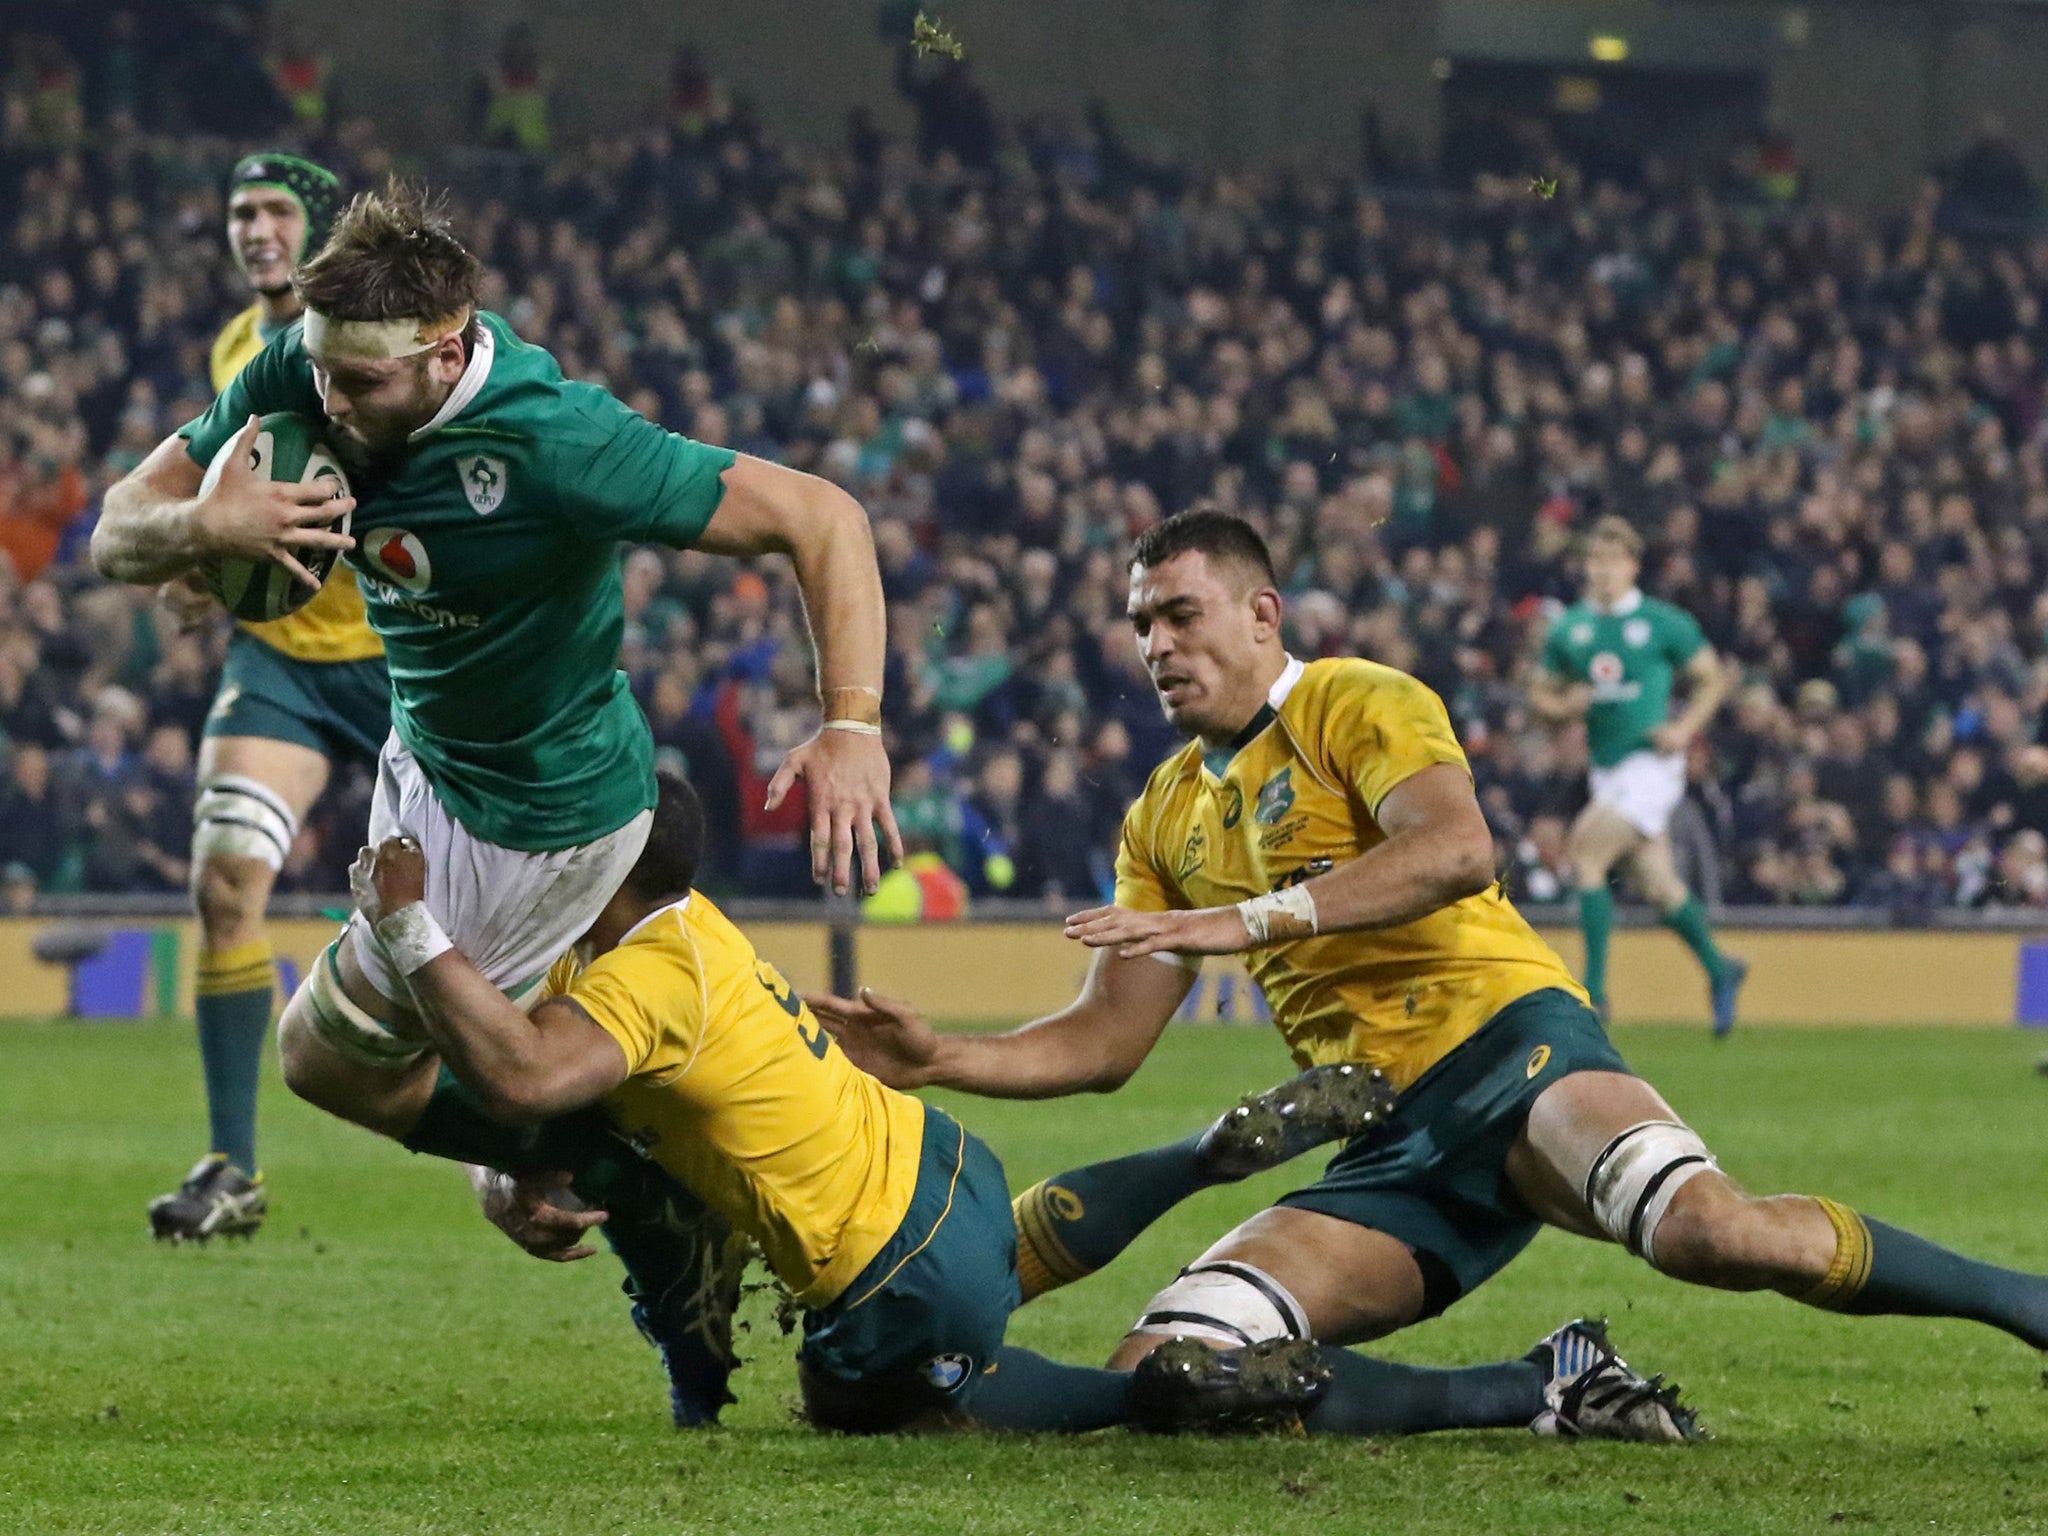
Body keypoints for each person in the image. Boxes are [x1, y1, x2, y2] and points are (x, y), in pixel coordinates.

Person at [813, 510, 2048, 1435]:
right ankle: (1548, 1389)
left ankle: (2026, 1299)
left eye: (1179, 613)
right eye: (1139, 623)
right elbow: (1104, 1043)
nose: (1154, 644)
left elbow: (1457, 850)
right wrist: (944, 1059)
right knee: (1178, 1378)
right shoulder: (1164, 813)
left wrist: (1251, 922)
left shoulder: (1356, 700)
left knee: (1705, 1234)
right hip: (1382, 1138)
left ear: (1262, 614)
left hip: (1510, 1046)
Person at [89, 182, 899, 1408]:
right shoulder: (299, 374)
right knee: (387, 1063)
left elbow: (821, 516)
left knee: (328, 1064)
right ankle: (604, 1184)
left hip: (541, 815)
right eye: (321, 376)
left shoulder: (556, 440)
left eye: (362, 386)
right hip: (423, 765)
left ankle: (634, 1183)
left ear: (448, 350)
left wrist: (850, 726)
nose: (332, 406)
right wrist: (210, 516)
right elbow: (113, 531)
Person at [342, 774, 1685, 1440]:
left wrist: (406, 932)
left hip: (889, 1294)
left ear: (603, 871)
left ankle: (1531, 1387)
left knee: (929, 1406)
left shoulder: (630, 977)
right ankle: (1201, 1154)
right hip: (961, 1178)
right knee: (966, 1254)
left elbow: (523, 1075)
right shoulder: (686, 939)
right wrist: (503, 1162)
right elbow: (547, 1084)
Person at [144, 151, 387, 1243]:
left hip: (398, 661)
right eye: (239, 211)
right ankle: (231, 1168)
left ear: (317, 226)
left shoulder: (370, 338)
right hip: (279, 663)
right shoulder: (235, 350)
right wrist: (202, 569)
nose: (253, 230)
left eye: (273, 210)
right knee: (224, 885)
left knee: (496, 909)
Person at [1528, 516, 1747, 1034]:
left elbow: (1712, 679)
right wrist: (1564, 705)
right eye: (1594, 561)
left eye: (1612, 561)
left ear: (1633, 567)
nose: (1601, 571)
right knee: (1659, 884)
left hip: (1650, 765)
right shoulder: (1571, 629)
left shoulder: (1663, 622)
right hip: (1607, 770)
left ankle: (1594, 994)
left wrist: (1684, 728)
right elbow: (1539, 694)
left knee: (1585, 851)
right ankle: (1722, 969)